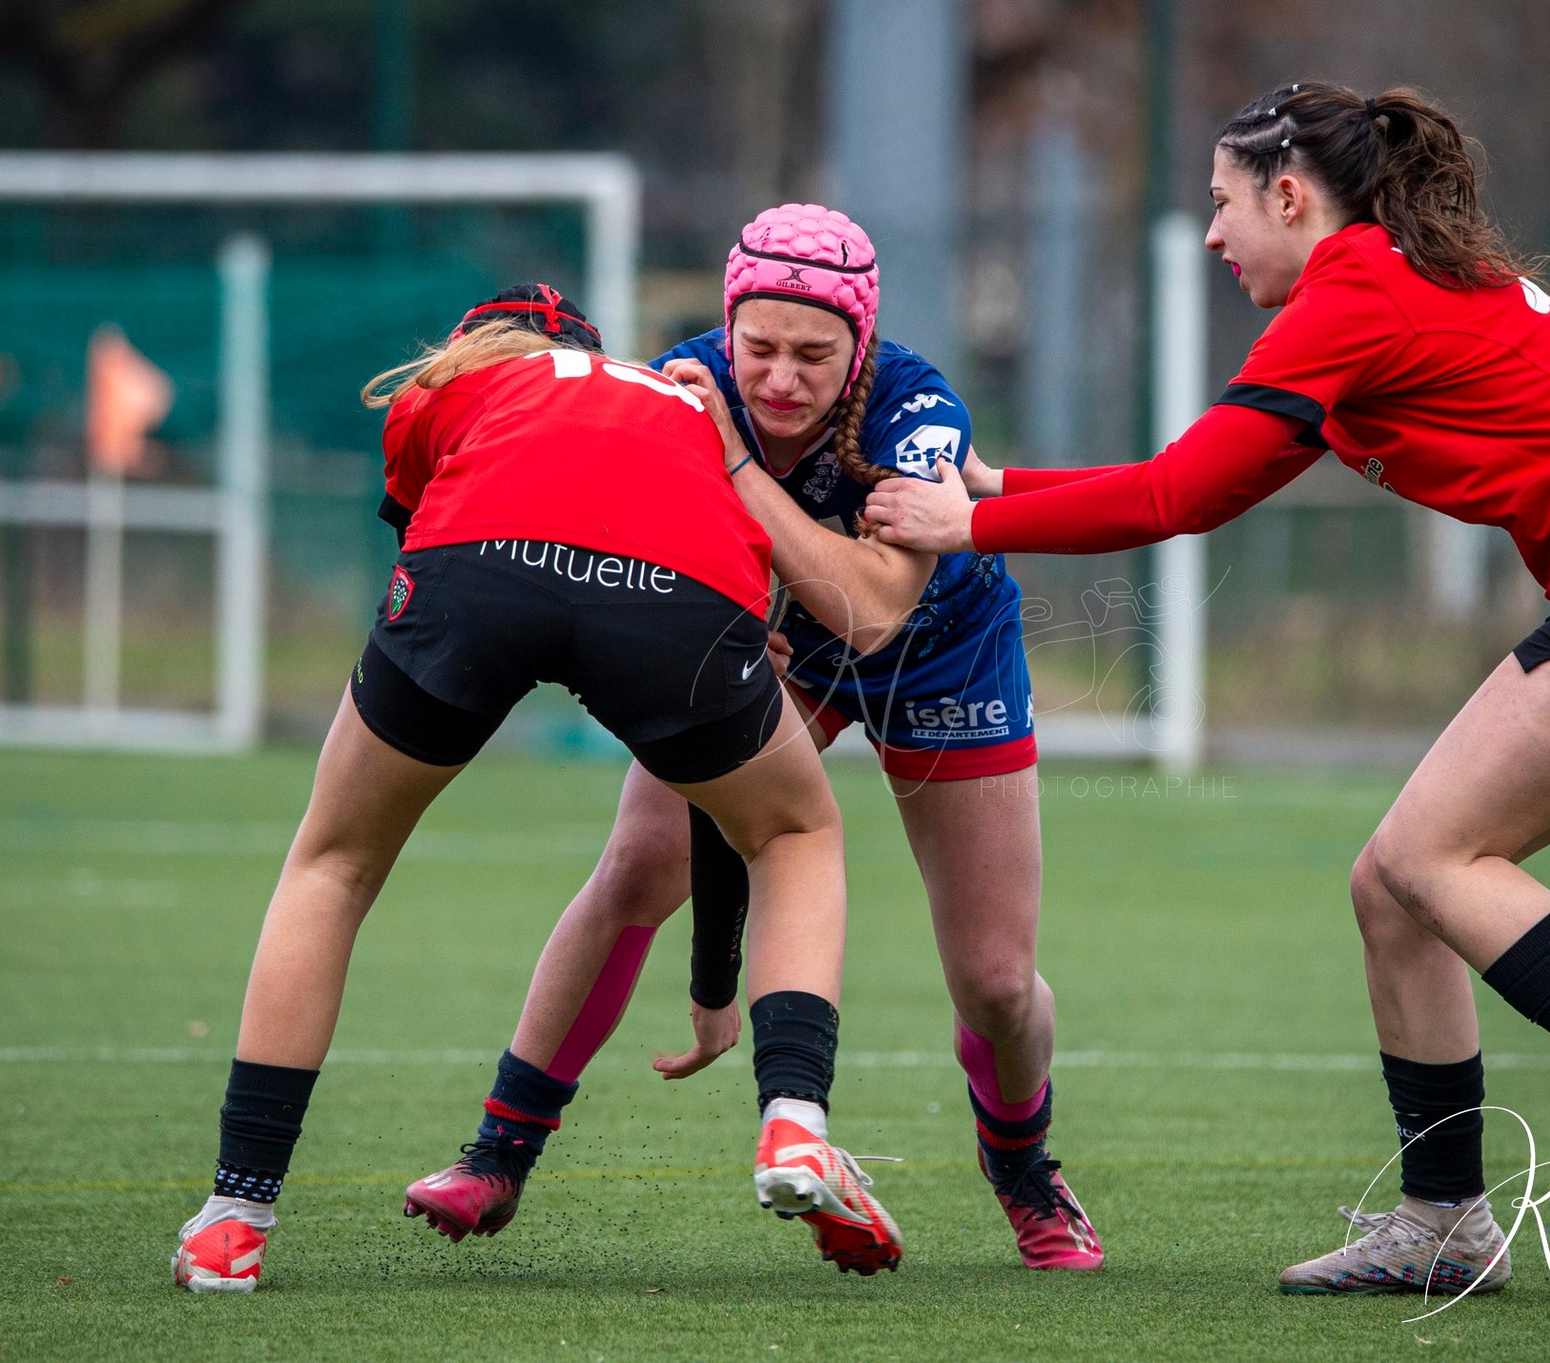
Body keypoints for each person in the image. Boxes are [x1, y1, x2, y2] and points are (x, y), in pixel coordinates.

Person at [864, 83, 1550, 1295]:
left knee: (1433, 859)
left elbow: (1174, 503)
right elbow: (1189, 477)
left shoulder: (1349, 293)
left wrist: (969, 519)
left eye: (1221, 203)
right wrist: (1006, 482)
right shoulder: (1377, 288)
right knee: (1393, 887)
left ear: (1290, 196)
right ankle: (1443, 1220)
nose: (1210, 233)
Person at [404, 206, 1104, 1272]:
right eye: (758, 348)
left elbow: (871, 610)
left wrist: (734, 468)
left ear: (858, 346)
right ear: (724, 329)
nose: (779, 379)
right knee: (636, 865)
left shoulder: (916, 413)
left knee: (997, 981)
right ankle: (497, 1151)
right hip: (784, 649)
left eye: (813, 354)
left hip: (939, 650)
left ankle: (1019, 1162)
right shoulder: (680, 380)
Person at [170, 285, 902, 1292]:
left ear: (477, 342)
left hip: (482, 571)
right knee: (792, 833)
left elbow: (430, 549)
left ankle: (234, 1218)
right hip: (672, 599)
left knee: (333, 862)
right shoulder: (684, 406)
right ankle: (791, 1122)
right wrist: (709, 981)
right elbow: (714, 800)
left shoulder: (457, 382)